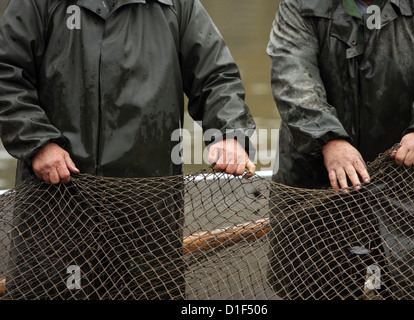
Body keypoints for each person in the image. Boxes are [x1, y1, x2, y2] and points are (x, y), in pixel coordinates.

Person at [0, 0, 255, 299]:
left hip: (148, 213)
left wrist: (230, 134)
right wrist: (38, 143)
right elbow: (7, 74)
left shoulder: (179, 5)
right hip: (55, 205)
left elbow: (217, 78)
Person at [267, 0, 414, 299]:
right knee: (311, 286)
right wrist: (328, 139)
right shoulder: (299, 4)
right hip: (314, 181)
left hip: (409, 178)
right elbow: (292, 76)